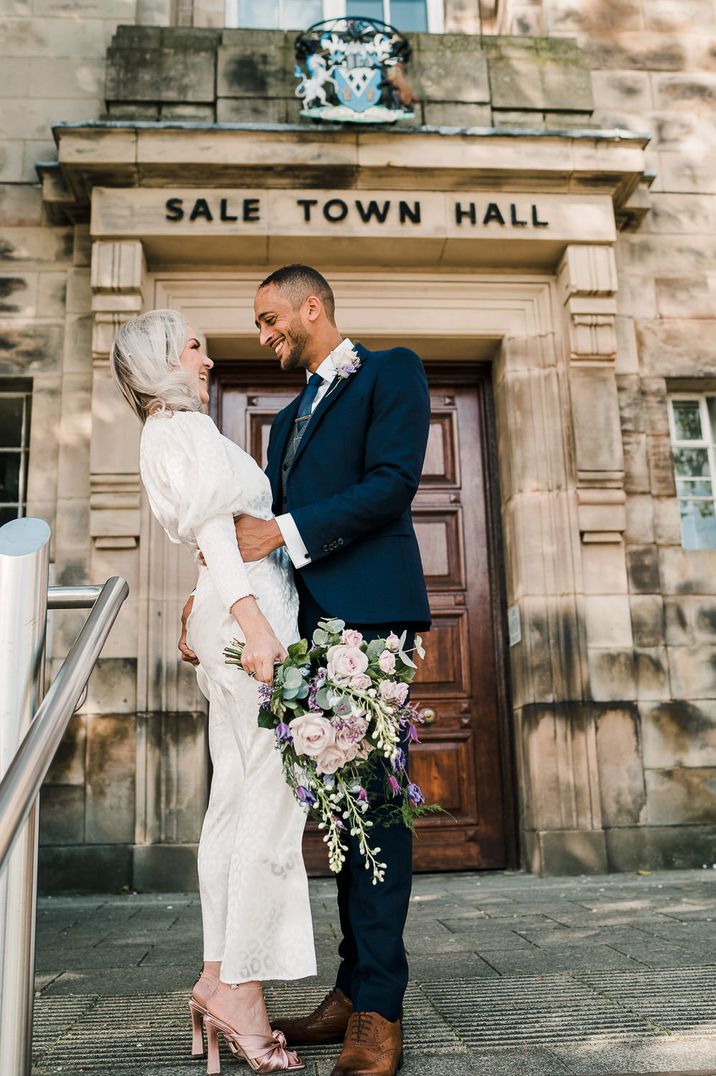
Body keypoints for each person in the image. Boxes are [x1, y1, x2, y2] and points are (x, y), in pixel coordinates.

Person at [181, 265, 431, 1076]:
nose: (263, 336)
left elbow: (391, 487)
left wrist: (284, 531)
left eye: (269, 318)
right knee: (339, 817)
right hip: (306, 635)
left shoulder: (392, 370)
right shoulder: (284, 421)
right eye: (258, 325)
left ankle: (380, 1013)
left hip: (373, 623)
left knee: (380, 812)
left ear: (311, 306)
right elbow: (242, 542)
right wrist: (206, 608)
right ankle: (352, 989)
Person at [111, 309, 315, 1075]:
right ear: (163, 359)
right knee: (268, 806)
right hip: (249, 618)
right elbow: (221, 536)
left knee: (234, 800)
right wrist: (252, 625)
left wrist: (205, 609)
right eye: (192, 346)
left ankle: (214, 975)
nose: (206, 357)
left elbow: (204, 541)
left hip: (222, 616)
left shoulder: (164, 435)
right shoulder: (185, 432)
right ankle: (243, 992)